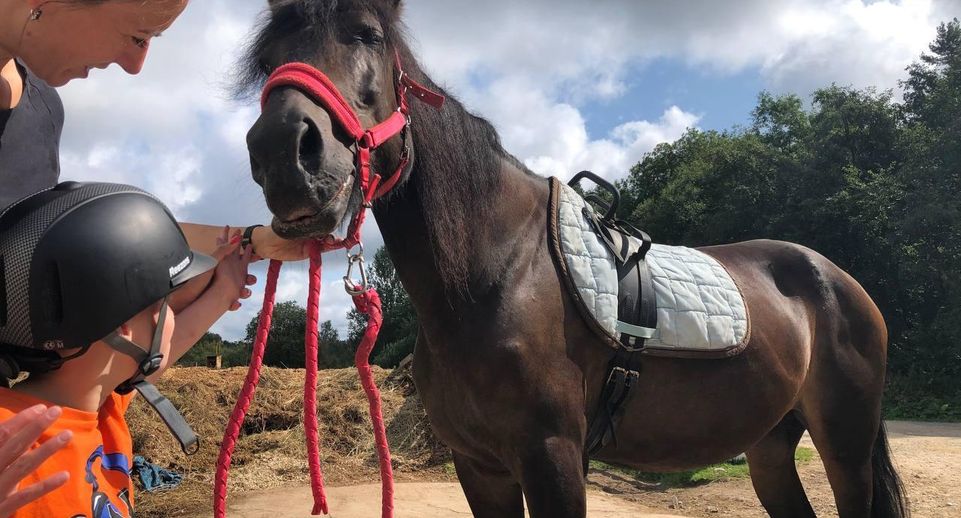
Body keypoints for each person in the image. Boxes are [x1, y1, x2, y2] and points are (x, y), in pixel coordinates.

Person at [0, 181, 253, 517]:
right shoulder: (9, 441)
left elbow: (163, 344)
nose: (172, 318)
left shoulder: (99, 405)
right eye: (166, 305)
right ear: (122, 329)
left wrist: (223, 290)